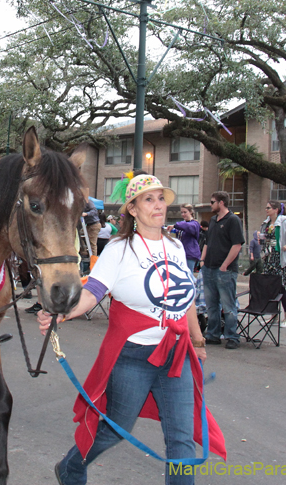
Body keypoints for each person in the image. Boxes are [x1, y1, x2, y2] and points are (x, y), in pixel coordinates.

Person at [36, 174, 225, 485]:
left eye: (161, 198)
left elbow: (185, 298)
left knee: (181, 441)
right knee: (115, 429)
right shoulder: (120, 248)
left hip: (177, 356)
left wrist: (198, 340)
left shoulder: (176, 246)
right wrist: (62, 313)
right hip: (133, 357)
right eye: (149, 199)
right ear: (133, 210)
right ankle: (72, 466)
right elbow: (93, 290)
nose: (158, 205)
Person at [200, 191, 245, 349]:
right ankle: (213, 334)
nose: (211, 205)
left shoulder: (233, 220)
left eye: (212, 202)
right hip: (209, 267)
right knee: (211, 305)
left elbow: (237, 245)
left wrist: (225, 265)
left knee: (228, 305)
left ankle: (232, 335)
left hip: (225, 270)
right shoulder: (212, 220)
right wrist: (202, 260)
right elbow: (207, 241)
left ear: (221, 202)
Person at [259, 201, 286, 328]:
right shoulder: (266, 223)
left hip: (278, 258)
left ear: (276, 210)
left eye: (269, 208)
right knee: (270, 287)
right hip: (268, 257)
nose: (266, 210)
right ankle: (274, 315)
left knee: (280, 287)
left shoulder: (284, 222)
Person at [170, 203, 202, 271]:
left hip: (190, 254)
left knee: (189, 274)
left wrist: (175, 225)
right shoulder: (181, 224)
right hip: (181, 253)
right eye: (181, 212)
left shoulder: (195, 224)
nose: (183, 214)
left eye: (185, 212)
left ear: (190, 212)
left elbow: (188, 227)